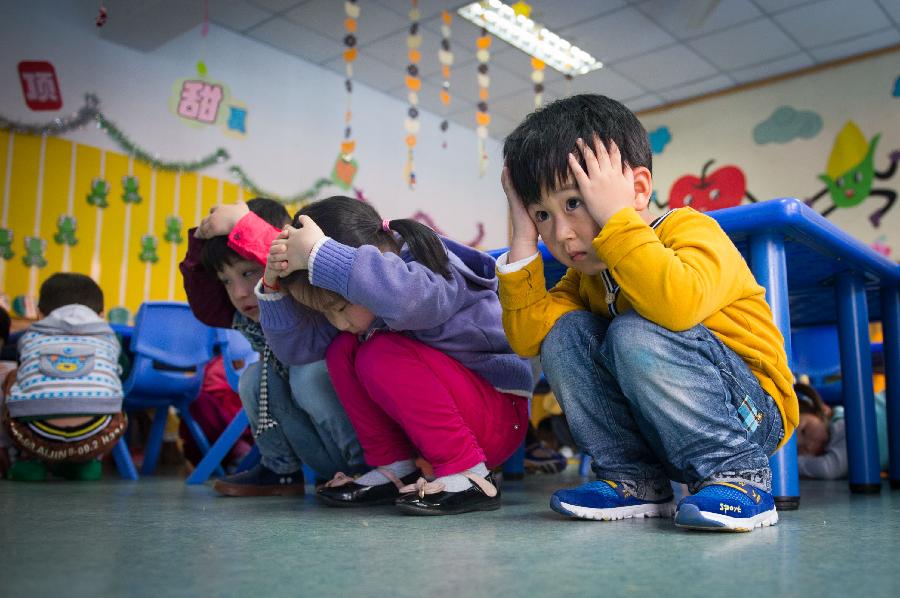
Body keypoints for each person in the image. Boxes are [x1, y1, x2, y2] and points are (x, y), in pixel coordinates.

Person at [497, 94, 798, 531]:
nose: (560, 232)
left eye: (575, 203)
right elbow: (527, 340)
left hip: (749, 418)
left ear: (637, 190)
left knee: (634, 330)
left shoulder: (689, 229)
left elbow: (673, 305)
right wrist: (522, 237)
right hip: (660, 426)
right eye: (542, 213)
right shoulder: (583, 278)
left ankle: (741, 478)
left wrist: (617, 219)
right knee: (564, 333)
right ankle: (633, 479)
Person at [260, 195, 533, 515]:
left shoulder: (432, 268)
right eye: (326, 314)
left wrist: (322, 255)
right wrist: (271, 285)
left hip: (497, 416)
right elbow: (295, 349)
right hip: (443, 429)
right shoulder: (359, 311)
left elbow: (410, 303)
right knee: (341, 350)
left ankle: (469, 475)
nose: (338, 322)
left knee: (379, 351)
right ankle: (396, 467)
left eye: (340, 309)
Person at [180, 198, 364, 496]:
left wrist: (243, 225)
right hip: (325, 457)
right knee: (253, 378)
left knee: (309, 375)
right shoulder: (244, 311)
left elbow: (291, 260)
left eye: (249, 273)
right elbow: (205, 301)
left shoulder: (306, 289)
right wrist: (201, 240)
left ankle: (365, 472)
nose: (239, 293)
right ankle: (281, 471)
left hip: (366, 445)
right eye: (226, 281)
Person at [1, 273, 126, 481]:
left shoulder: (30, 336)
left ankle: (28, 461)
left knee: (12, 375)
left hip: (32, 435)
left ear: (40, 314)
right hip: (99, 434)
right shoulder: (110, 337)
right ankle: (86, 464)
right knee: (114, 389)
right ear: (101, 314)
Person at [795, 381, 888, 479]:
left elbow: (829, 469)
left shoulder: (842, 425)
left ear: (824, 410)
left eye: (804, 431)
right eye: (800, 449)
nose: (809, 446)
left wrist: (788, 463)